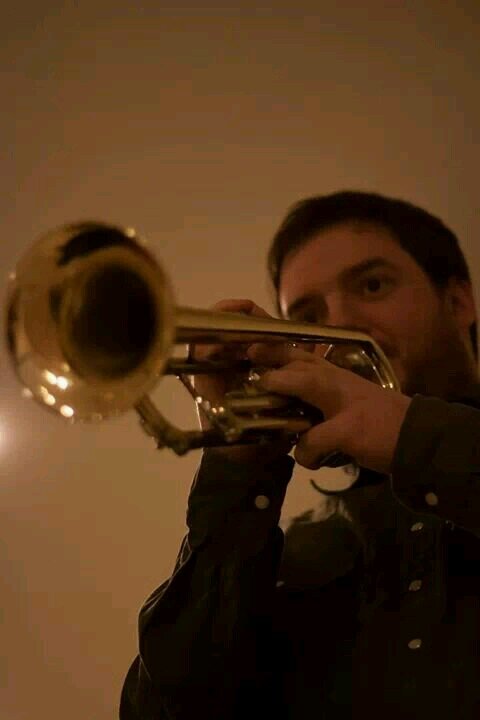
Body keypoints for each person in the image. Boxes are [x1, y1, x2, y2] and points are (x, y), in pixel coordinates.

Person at [119, 191, 480, 719]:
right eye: (307, 313)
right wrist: (236, 472)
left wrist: (410, 432)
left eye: (372, 285)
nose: (341, 327)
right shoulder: (296, 556)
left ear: (458, 301)